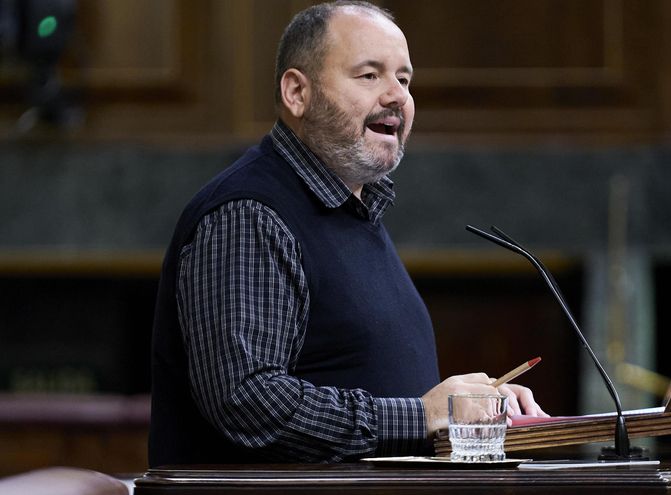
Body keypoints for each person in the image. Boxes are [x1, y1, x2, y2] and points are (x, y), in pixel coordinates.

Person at [148, 0, 546, 467]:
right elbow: (246, 400)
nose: (397, 95)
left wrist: (469, 406)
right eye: (369, 75)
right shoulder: (250, 213)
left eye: (404, 78)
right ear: (298, 92)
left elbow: (367, 381)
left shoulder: (353, 209)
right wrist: (419, 416)